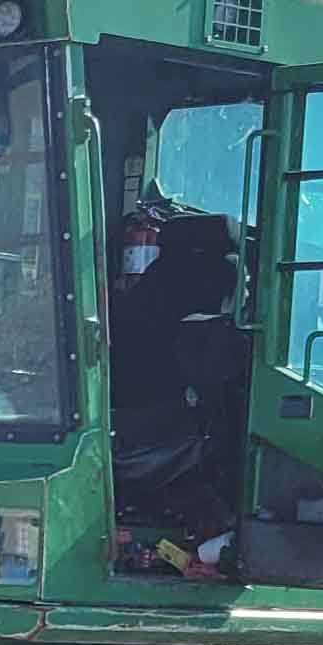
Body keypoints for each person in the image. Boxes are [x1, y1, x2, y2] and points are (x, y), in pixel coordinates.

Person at [108, 196, 248, 549]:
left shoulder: (155, 283)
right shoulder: (217, 286)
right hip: (150, 420)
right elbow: (212, 373)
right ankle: (217, 536)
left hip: (123, 405)